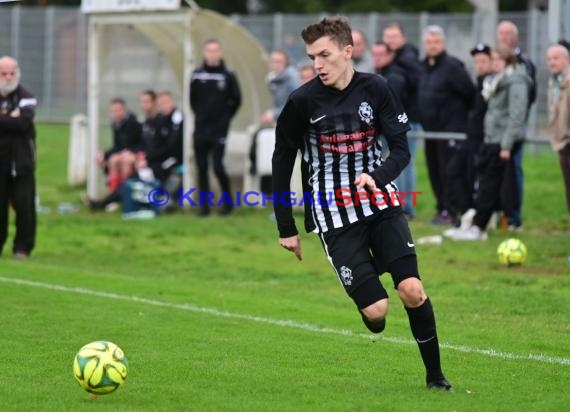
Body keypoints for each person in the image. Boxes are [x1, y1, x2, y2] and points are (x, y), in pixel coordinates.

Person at [272, 17, 451, 390]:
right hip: (332, 213)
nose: (317, 64)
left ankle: (436, 378)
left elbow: (401, 149)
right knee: (377, 311)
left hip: (379, 200)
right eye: (312, 57)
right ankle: (367, 286)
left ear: (348, 51)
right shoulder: (301, 101)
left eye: (325, 55)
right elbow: (281, 162)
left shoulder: (377, 88)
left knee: (412, 290)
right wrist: (286, 227)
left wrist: (378, 177)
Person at [452, 45, 531, 241]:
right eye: (493, 60)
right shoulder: (498, 81)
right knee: (489, 185)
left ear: (508, 61)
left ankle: (479, 227)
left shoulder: (516, 82)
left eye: (497, 60)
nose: (493, 64)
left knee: (491, 186)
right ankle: (480, 225)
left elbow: (516, 115)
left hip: (501, 143)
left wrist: (506, 145)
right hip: (491, 139)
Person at [417, 25, 475, 225]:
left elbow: (470, 94)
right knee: (434, 172)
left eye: (436, 42)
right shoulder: (422, 66)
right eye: (429, 42)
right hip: (430, 132)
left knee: (449, 171)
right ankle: (441, 207)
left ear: (443, 43)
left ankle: (453, 210)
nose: (432, 46)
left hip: (450, 130)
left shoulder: (453, 67)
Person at [444, 43, 494, 236]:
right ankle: (466, 212)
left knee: (474, 179)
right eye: (477, 62)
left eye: (483, 61)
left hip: (484, 139)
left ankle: (478, 220)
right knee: (455, 171)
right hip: (470, 136)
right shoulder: (480, 82)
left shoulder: (492, 83)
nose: (479, 65)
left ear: (492, 61)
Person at [190, 39, 241, 216]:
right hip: (201, 128)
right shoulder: (197, 74)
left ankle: (228, 204)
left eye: (215, 50)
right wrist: (202, 117)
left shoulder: (228, 74)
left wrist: (225, 118)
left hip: (219, 129)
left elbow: (236, 100)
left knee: (218, 166)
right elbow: (193, 100)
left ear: (220, 52)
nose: (212, 54)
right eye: (209, 50)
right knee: (202, 167)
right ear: (204, 53)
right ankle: (204, 207)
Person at [497, 20, 537, 230]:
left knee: (513, 173)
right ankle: (501, 217)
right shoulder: (497, 61)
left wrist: (513, 126)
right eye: (501, 34)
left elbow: (526, 99)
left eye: (508, 34)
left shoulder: (524, 64)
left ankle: (514, 217)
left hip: (512, 131)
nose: (504, 37)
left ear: (515, 36)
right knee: (498, 176)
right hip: (495, 132)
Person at [383, 23, 423, 219]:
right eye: (387, 36)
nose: (391, 39)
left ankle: (407, 207)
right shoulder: (393, 60)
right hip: (397, 119)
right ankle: (397, 203)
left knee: (404, 161)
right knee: (395, 160)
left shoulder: (407, 59)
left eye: (394, 36)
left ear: (403, 38)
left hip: (407, 119)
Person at [0, 56, 37, 259]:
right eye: (3, 73)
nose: (8, 77)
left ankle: (23, 248)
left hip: (22, 162)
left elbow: (22, 124)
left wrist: (8, 119)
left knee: (24, 206)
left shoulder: (26, 96)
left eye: (11, 73)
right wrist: (9, 118)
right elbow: (13, 123)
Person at [97, 98, 142, 193]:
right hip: (123, 153)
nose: (116, 113)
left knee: (125, 161)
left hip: (136, 153)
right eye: (113, 111)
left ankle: (126, 194)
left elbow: (140, 143)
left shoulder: (133, 123)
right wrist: (104, 154)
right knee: (113, 160)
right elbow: (117, 146)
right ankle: (113, 193)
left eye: (118, 110)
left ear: (124, 110)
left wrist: (130, 152)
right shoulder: (116, 125)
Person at [546, 44, 570, 214]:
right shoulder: (553, 81)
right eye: (549, 59)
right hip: (562, 142)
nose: (551, 62)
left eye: (556, 58)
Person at [260, 49, 300, 126]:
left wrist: (272, 114)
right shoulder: (273, 78)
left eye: (279, 61)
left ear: (286, 63)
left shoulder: (292, 77)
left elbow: (295, 104)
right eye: (273, 61)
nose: (275, 64)